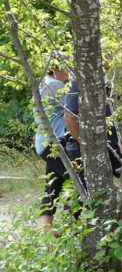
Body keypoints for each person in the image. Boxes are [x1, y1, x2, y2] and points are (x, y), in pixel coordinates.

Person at [34, 62, 72, 229]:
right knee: (76, 182)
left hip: (44, 143)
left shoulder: (42, 83)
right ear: (57, 69)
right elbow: (72, 107)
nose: (68, 73)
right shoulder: (55, 85)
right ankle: (71, 228)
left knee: (52, 186)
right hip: (54, 143)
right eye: (66, 68)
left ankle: (46, 231)